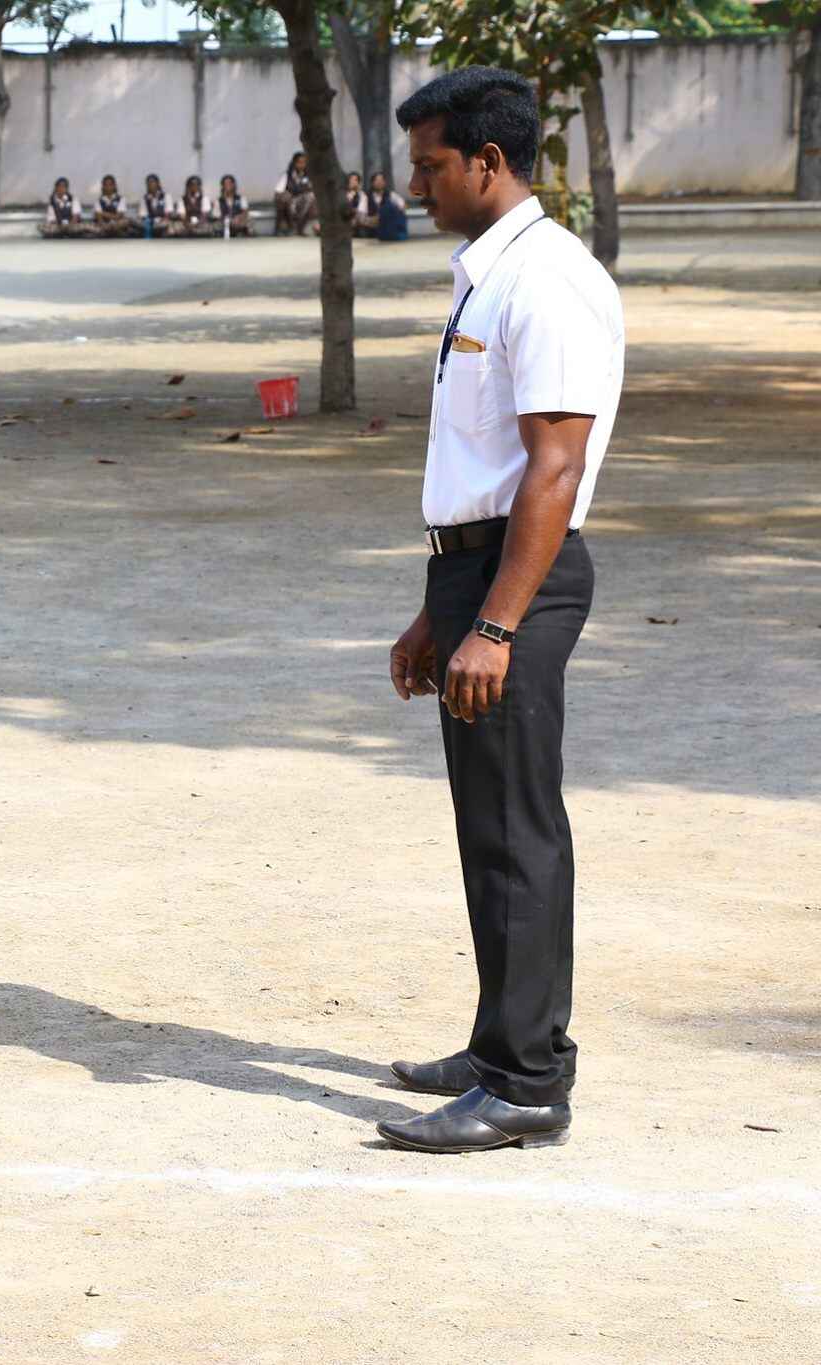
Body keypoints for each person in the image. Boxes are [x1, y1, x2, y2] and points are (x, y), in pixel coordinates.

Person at [379, 67, 624, 1155]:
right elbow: (481, 466)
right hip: (473, 575)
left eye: (431, 165)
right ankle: (500, 1044)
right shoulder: (486, 274)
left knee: (518, 831)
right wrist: (443, 607)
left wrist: (493, 621)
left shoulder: (546, 281)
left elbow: (552, 470)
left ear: (488, 161)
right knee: (487, 829)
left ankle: (526, 1086)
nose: (416, 183)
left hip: (517, 580)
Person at [274, 150, 314, 235]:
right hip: (290, 202)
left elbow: (311, 189)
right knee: (284, 198)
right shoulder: (287, 175)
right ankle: (285, 228)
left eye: (304, 162)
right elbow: (278, 191)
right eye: (299, 162)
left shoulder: (308, 176)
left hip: (303, 204)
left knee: (311, 197)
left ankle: (300, 228)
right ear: (294, 163)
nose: (302, 165)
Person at [367, 169, 410, 241]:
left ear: (384, 182)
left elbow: (403, 205)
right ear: (372, 183)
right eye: (377, 180)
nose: (379, 183)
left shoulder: (390, 194)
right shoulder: (366, 196)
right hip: (371, 226)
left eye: (381, 180)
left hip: (387, 226)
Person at [215, 173, 251, 238]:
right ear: (222, 186)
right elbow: (217, 216)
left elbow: (245, 212)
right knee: (216, 226)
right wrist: (227, 220)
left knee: (249, 223)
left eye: (230, 183)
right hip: (224, 224)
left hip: (238, 223)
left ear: (233, 185)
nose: (228, 186)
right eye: (225, 184)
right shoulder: (219, 201)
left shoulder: (241, 199)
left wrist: (239, 217)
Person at [139, 172, 170, 238]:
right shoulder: (145, 198)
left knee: (167, 225)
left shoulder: (166, 196)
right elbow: (143, 215)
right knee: (143, 224)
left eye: (152, 182)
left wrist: (162, 219)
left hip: (162, 221)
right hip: (149, 222)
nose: (150, 185)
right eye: (148, 183)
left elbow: (168, 212)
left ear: (158, 183)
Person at [344, 170, 372, 237]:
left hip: (356, 223)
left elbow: (362, 212)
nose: (352, 182)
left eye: (355, 180)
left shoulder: (362, 196)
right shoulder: (342, 193)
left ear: (359, 183)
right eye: (350, 179)